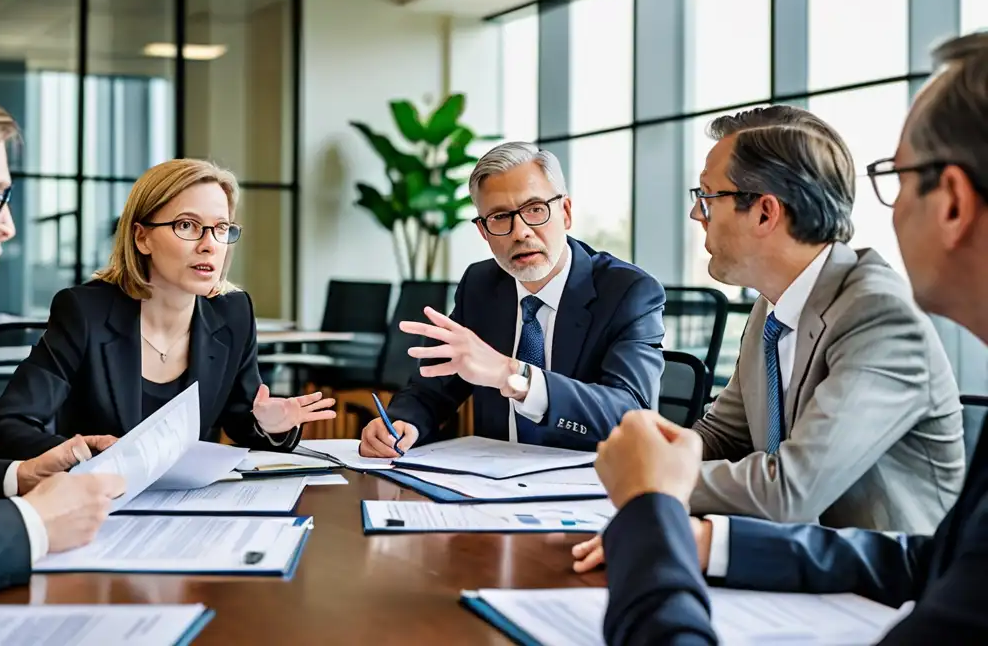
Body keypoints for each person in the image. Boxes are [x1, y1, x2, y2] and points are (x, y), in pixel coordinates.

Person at [595, 31, 988, 644]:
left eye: (708, 197)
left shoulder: (878, 312)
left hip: (873, 608)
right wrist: (655, 462)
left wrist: (652, 488)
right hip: (807, 580)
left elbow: (792, 490)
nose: (697, 214)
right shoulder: (774, 307)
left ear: (764, 211)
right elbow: (726, 435)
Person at [0, 159, 336, 461]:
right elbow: (4, 431)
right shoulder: (84, 312)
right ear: (141, 237)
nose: (210, 245)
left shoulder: (233, 312)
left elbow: (242, 422)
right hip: (102, 511)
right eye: (187, 226)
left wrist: (269, 425)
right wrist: (84, 452)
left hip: (193, 512)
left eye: (221, 228)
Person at [359, 142, 666, 457]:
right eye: (500, 217)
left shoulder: (628, 292)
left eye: (535, 209)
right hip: (492, 483)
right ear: (484, 232)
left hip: (591, 484)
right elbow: (432, 391)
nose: (520, 232)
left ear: (566, 213)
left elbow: (632, 415)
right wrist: (400, 423)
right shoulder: (481, 285)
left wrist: (516, 377)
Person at [0, 83, 124, 597]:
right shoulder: (85, 309)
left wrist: (20, 478)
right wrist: (33, 523)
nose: (7, 226)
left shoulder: (229, 315)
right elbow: (8, 423)